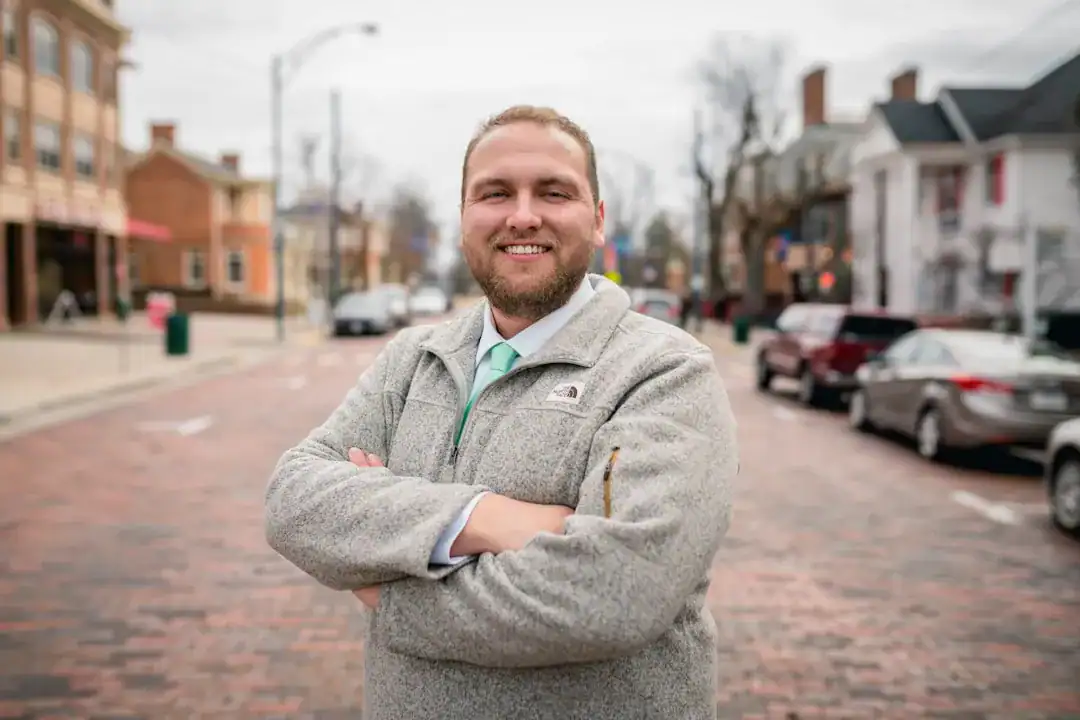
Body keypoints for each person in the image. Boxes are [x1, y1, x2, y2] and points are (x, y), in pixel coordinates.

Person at [265, 105, 738, 720]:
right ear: (463, 218)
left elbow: (617, 591)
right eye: (494, 193)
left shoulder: (667, 371)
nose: (522, 215)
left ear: (597, 222)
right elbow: (292, 499)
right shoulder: (413, 358)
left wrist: (388, 585)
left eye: (553, 192)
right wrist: (485, 518)